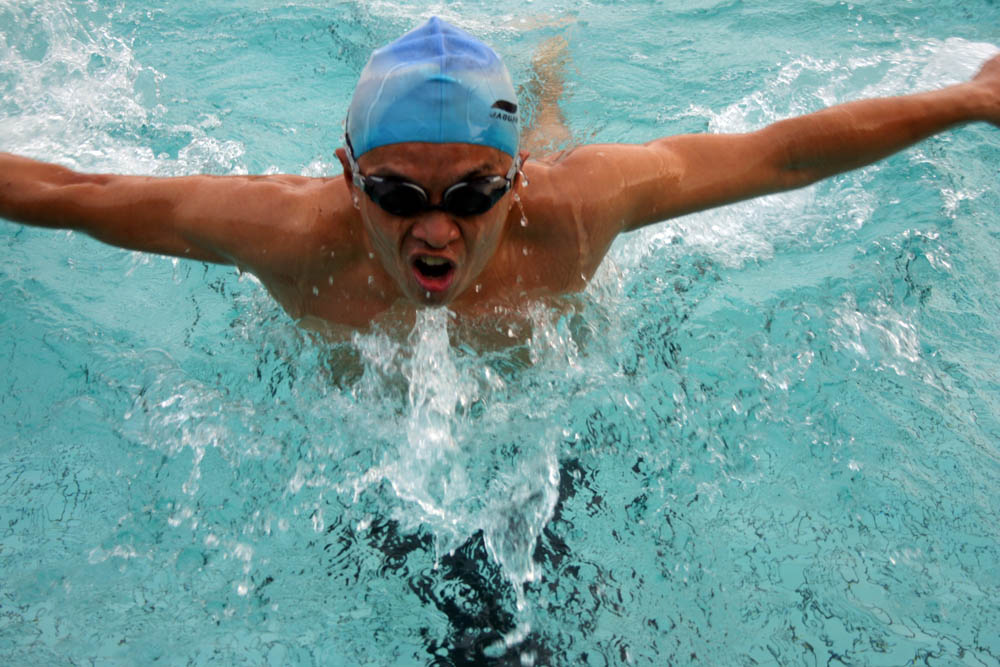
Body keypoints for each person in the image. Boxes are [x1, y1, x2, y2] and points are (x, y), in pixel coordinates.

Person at [2, 17, 998, 341]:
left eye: (473, 194)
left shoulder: (571, 205)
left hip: (549, 190)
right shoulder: (283, 230)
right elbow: (77, 196)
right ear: (346, 176)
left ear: (508, 186)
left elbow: (778, 155)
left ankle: (544, 81)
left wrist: (967, 98)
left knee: (560, 144)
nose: (433, 231)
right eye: (396, 194)